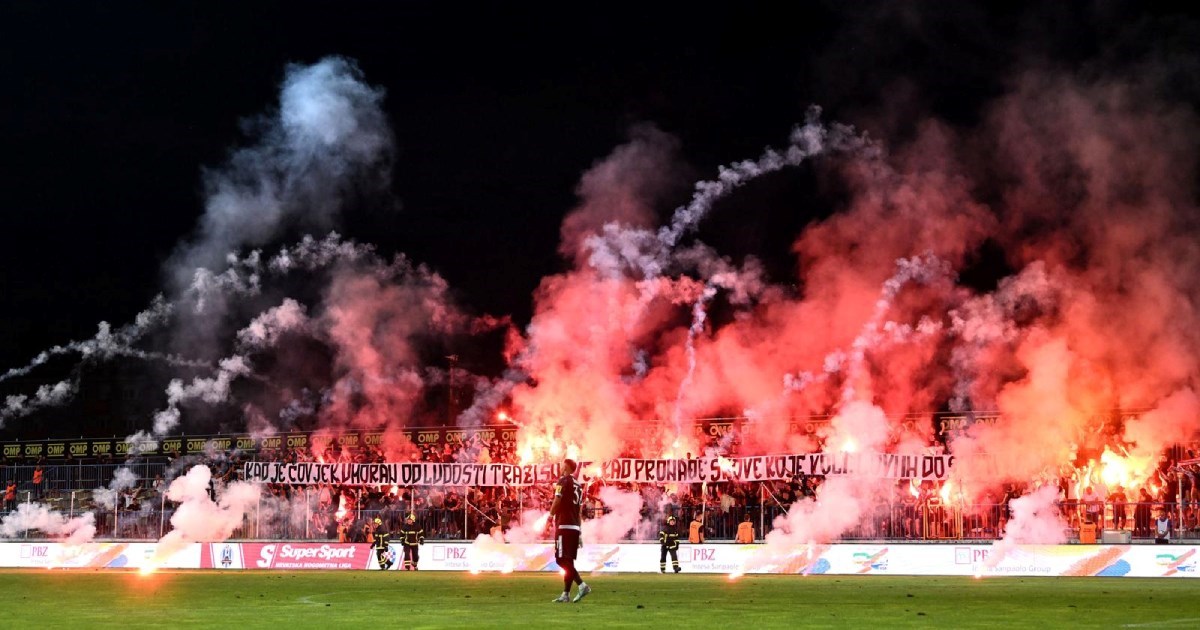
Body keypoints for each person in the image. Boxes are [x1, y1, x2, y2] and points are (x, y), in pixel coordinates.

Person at [549, 458, 590, 603]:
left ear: (566, 467)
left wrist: (550, 515)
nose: (560, 467)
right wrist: (579, 530)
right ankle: (565, 594)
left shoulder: (563, 481)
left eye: (561, 465)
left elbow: (557, 499)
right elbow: (579, 510)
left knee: (560, 559)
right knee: (569, 561)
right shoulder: (579, 485)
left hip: (564, 525)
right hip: (574, 526)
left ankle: (582, 585)